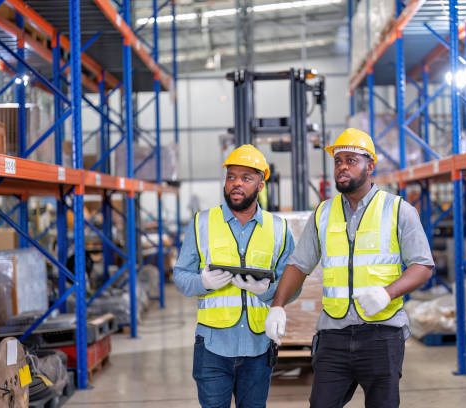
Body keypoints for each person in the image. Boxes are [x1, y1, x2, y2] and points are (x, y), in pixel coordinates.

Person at [265, 128, 434, 408]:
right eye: (338, 161)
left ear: (370, 166)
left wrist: (387, 293)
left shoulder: (398, 210)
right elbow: (299, 265)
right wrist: (277, 305)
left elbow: (423, 266)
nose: (342, 167)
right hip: (333, 334)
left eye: (350, 160)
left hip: (382, 333)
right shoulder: (323, 213)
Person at [173, 144, 295, 408]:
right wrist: (202, 283)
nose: (236, 184)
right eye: (231, 177)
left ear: (261, 185)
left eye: (246, 178)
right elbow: (181, 276)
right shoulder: (201, 222)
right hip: (213, 347)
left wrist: (269, 294)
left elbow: (292, 283)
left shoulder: (280, 229)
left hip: (259, 346)